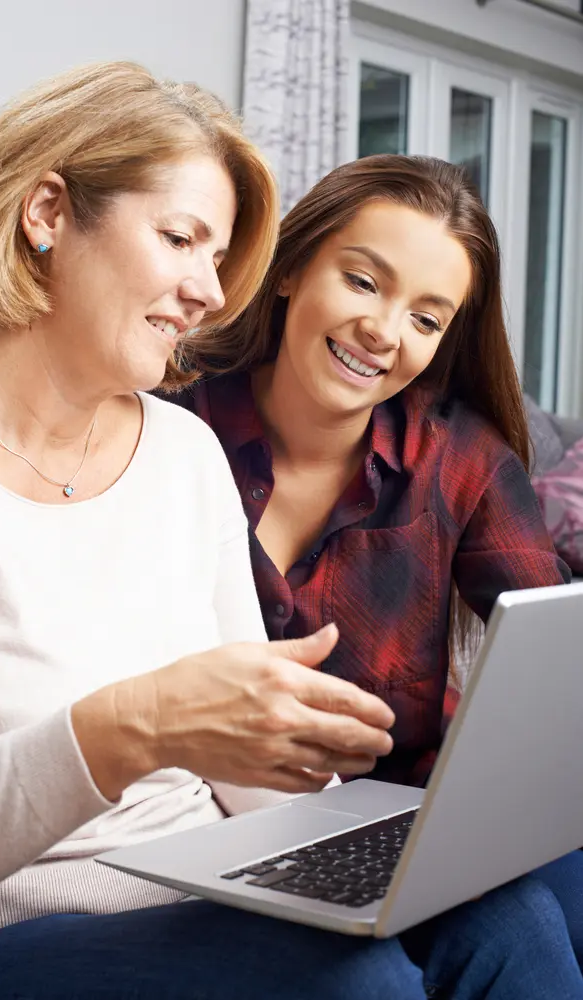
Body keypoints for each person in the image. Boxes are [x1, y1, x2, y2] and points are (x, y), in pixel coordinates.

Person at [0, 66, 580, 1000]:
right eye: (180, 238)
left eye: (218, 253)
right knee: (359, 984)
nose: (210, 288)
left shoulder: (181, 451)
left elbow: (250, 775)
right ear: (47, 213)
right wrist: (129, 730)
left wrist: (360, 841)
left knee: (507, 917)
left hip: (194, 887)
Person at [169, 152, 583, 966]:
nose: (384, 333)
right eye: (363, 282)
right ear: (290, 268)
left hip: (401, 825)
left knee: (541, 912)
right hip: (200, 832)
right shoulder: (169, 429)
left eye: (426, 319)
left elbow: (551, 670)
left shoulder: (459, 458)